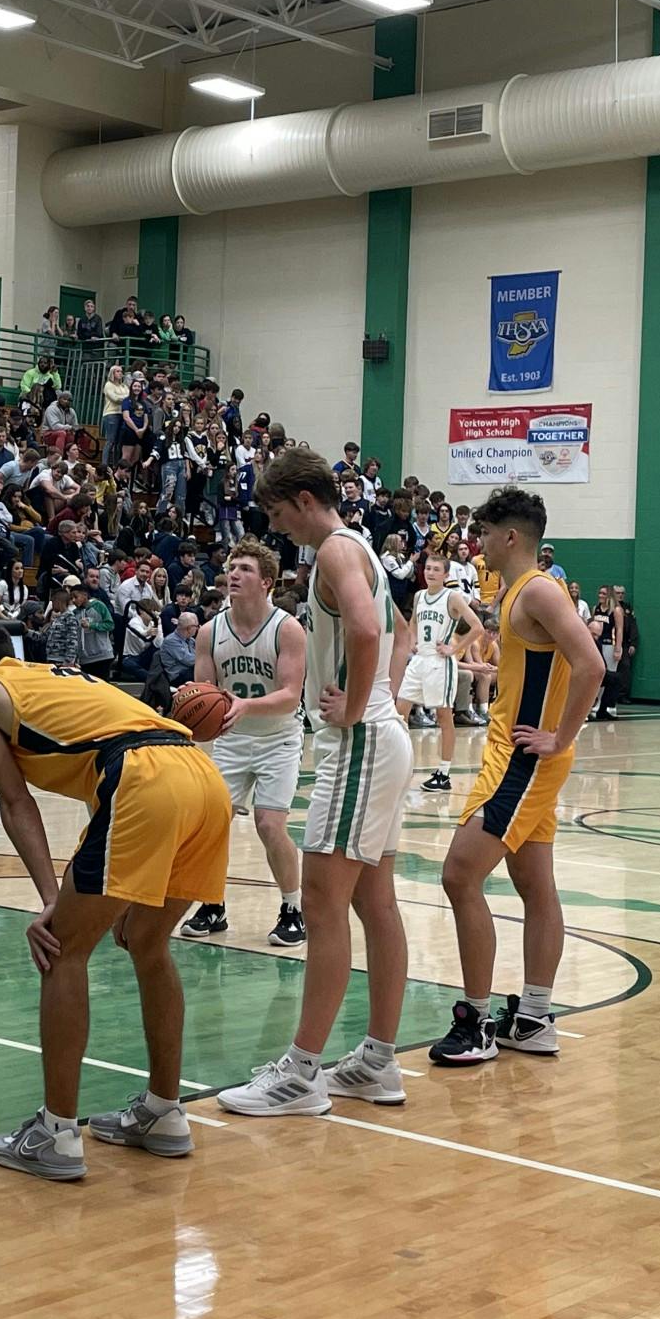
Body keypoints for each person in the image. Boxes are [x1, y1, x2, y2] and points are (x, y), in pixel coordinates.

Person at [0, 621, 230, 1181]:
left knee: (62, 949)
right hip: (201, 774)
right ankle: (164, 1113)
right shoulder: (54, 675)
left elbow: (14, 800)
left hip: (142, 776)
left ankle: (55, 1132)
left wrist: (52, 898)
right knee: (147, 944)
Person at [216, 451, 413, 1117]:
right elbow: (400, 634)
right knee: (375, 903)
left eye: (276, 514)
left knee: (325, 907)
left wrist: (356, 706)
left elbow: (364, 629)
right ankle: (379, 1064)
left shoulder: (333, 549)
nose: (277, 530)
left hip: (361, 743)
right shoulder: (363, 548)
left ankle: (300, 1076)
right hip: (385, 739)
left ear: (303, 499)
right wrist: (379, 697)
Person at [430, 485, 605, 1068]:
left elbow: (592, 663)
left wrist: (562, 737)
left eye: (484, 533)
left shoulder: (537, 591)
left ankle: (477, 1021)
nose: (477, 543)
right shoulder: (517, 594)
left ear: (511, 537)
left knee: (459, 874)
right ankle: (531, 1018)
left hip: (524, 760)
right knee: (534, 885)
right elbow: (540, 667)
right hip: (517, 755)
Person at [177, 540, 308, 949]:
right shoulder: (210, 630)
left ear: (266, 582)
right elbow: (206, 690)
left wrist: (246, 704)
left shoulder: (287, 628)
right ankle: (212, 905)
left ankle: (293, 908)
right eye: (232, 567)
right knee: (210, 824)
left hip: (279, 738)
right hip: (232, 740)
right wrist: (190, 699)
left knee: (270, 826)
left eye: (246, 569)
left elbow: (290, 694)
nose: (234, 574)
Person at [398, 552, 483, 792]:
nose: (431, 572)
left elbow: (477, 627)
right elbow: (413, 622)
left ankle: (444, 773)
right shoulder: (418, 596)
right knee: (399, 712)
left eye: (437, 569)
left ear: (446, 575)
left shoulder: (452, 597)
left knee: (444, 717)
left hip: (440, 663)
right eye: (428, 568)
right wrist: (412, 640)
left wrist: (455, 648)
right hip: (419, 660)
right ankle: (402, 765)